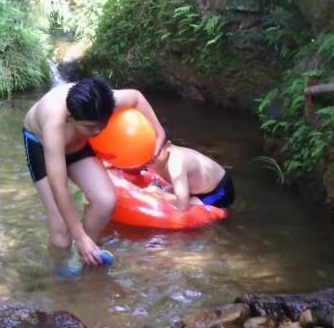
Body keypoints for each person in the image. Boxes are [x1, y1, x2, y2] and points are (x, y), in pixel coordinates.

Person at [23, 77, 166, 265]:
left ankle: (87, 255)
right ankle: (59, 274)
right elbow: (58, 188)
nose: (98, 131)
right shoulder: (54, 121)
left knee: (105, 201)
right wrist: (78, 236)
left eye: (103, 124)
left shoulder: (103, 101)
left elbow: (136, 97)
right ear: (70, 116)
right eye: (90, 126)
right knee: (61, 229)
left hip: (78, 145)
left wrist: (159, 132)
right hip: (41, 146)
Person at [146, 128, 235, 211]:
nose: (152, 155)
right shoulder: (152, 157)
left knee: (185, 207)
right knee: (157, 193)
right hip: (197, 187)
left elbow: (182, 206)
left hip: (219, 191)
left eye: (156, 151)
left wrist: (158, 193)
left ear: (168, 146)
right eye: (149, 150)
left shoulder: (176, 163)